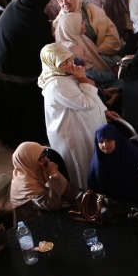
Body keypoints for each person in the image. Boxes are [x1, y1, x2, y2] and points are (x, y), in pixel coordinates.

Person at [39, 44, 111, 188]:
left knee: (94, 162)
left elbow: (88, 94)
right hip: (75, 135)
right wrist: (83, 79)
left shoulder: (65, 75)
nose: (69, 64)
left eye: (69, 59)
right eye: (63, 62)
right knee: (83, 167)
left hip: (84, 128)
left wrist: (103, 110)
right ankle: (88, 195)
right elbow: (86, 103)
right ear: (53, 64)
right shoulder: (57, 85)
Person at [88, 123, 138, 204]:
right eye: (101, 142)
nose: (105, 145)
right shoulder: (96, 164)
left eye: (109, 140)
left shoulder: (135, 157)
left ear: (116, 139)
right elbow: (94, 191)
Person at [10, 141, 70, 212]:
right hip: (31, 215)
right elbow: (52, 205)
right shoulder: (26, 184)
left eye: (45, 154)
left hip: (46, 210)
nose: (46, 160)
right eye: (41, 158)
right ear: (29, 162)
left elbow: (68, 190)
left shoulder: (38, 169)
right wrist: (54, 175)